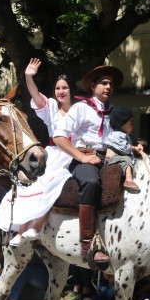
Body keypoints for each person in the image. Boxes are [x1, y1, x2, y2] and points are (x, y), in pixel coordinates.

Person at [0, 58, 73, 246]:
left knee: (53, 183)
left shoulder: (80, 108)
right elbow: (36, 96)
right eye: (58, 88)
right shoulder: (52, 107)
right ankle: (22, 230)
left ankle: (37, 227)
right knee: (34, 185)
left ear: (72, 90)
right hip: (53, 153)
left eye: (65, 88)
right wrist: (29, 77)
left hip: (71, 153)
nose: (61, 91)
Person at [53, 64, 125, 264]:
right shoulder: (81, 108)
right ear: (93, 86)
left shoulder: (114, 111)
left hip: (110, 158)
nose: (108, 87)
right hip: (84, 159)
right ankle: (88, 246)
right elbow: (59, 137)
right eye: (104, 83)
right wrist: (82, 157)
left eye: (111, 84)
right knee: (92, 183)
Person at [105, 106, 144, 192]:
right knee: (126, 160)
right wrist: (134, 148)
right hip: (113, 158)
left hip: (118, 157)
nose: (133, 125)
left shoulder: (123, 135)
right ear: (121, 124)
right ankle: (128, 180)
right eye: (131, 122)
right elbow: (124, 148)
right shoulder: (116, 135)